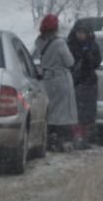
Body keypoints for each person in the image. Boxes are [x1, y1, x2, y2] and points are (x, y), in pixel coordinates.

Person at [33, 14, 78, 151]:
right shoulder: (60, 43)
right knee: (63, 112)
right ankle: (61, 140)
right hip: (60, 80)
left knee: (50, 109)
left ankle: (48, 137)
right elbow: (69, 62)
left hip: (46, 80)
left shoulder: (39, 42)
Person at [67, 21, 102, 149]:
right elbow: (68, 62)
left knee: (87, 114)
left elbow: (97, 62)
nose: (80, 35)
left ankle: (84, 137)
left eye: (82, 33)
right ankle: (76, 136)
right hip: (75, 82)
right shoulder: (70, 45)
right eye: (78, 32)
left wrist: (88, 57)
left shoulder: (93, 46)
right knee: (76, 112)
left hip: (88, 82)